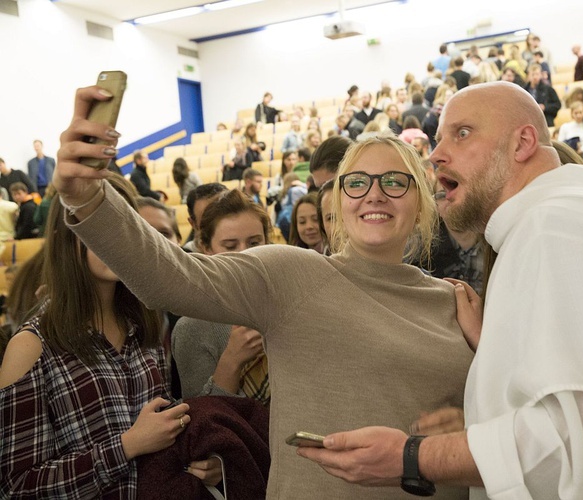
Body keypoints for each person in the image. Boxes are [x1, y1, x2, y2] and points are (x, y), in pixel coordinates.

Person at [297, 81, 583, 499]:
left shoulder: (558, 229)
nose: (436, 155)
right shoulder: (561, 220)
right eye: (438, 138)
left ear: (523, 143)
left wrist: (410, 457)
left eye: (462, 134)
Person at [53, 85, 473, 499]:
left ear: (421, 202)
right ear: (339, 202)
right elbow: (171, 276)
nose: (375, 194)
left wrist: (467, 425)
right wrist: (87, 197)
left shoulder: (457, 302)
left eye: (395, 181)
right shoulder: (292, 274)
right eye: (357, 182)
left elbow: (513, 423)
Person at [0, 175, 219, 497]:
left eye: (121, 226)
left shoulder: (146, 324)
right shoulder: (31, 345)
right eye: (96, 227)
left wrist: (201, 459)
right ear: (66, 236)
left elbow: (163, 426)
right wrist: (126, 446)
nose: (112, 240)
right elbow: (15, 487)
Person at [172, 189, 270, 403]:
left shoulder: (288, 299)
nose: (245, 254)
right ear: (206, 248)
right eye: (230, 246)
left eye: (254, 243)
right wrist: (232, 360)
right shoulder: (192, 327)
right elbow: (202, 417)